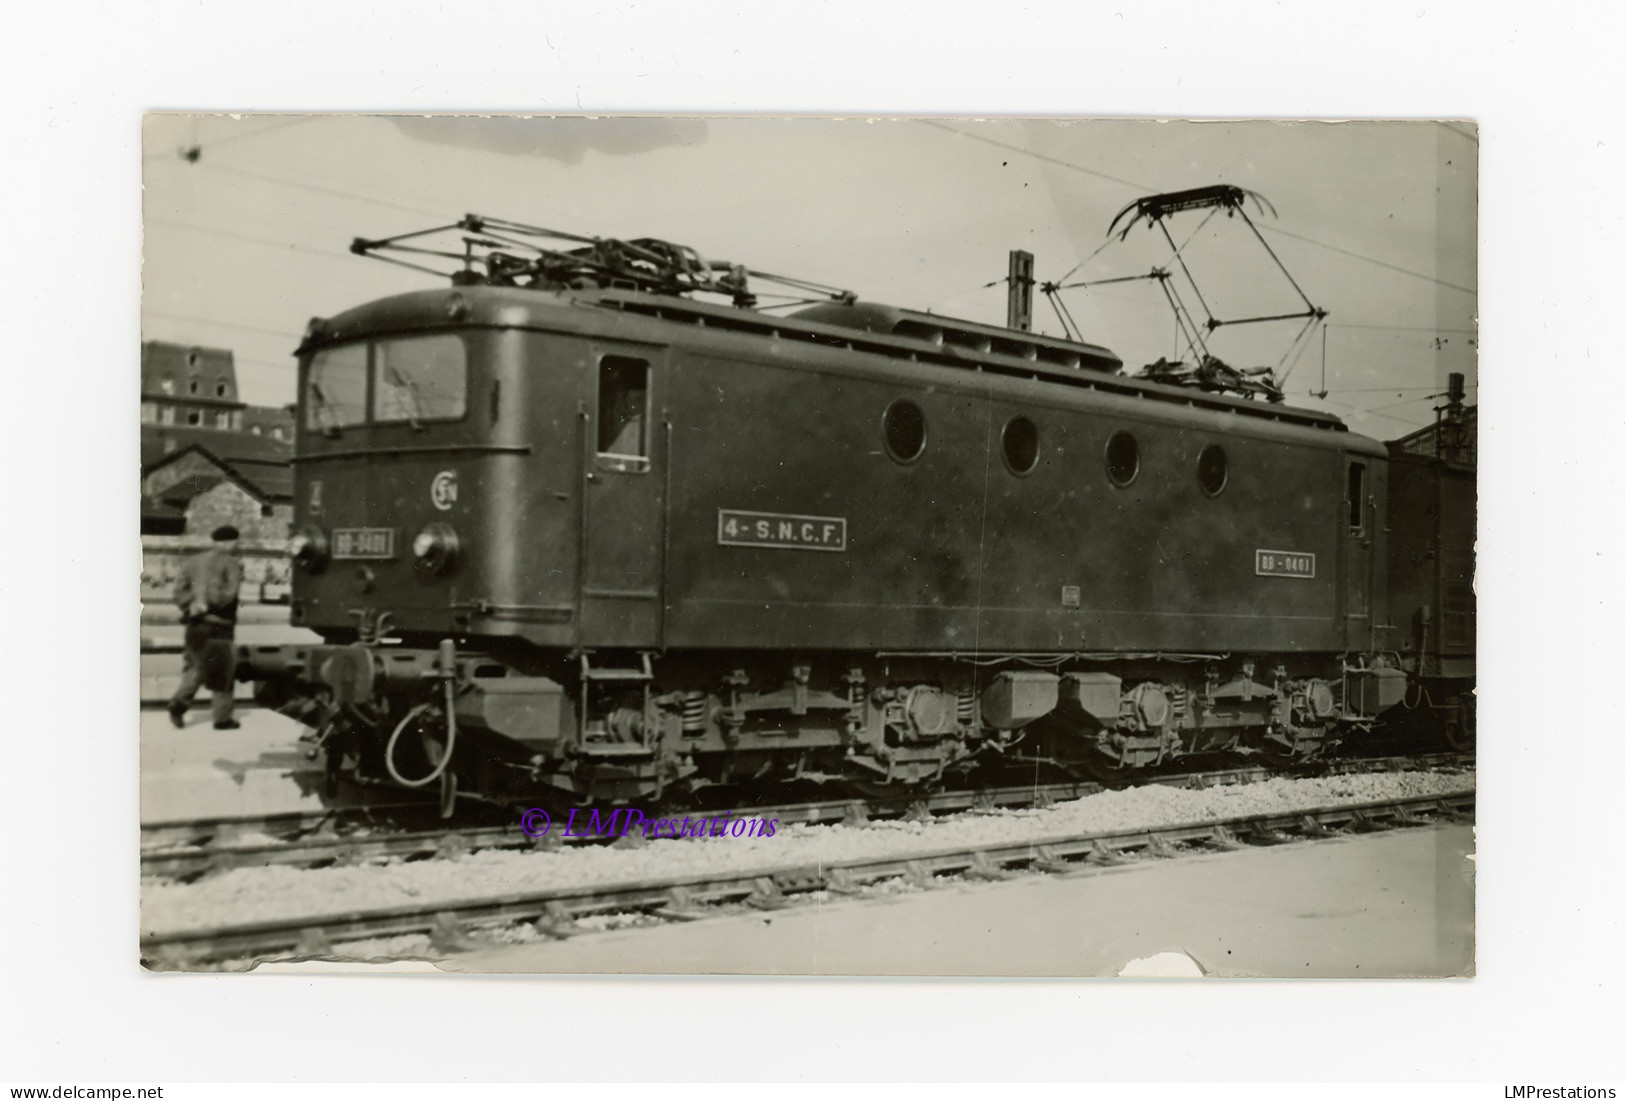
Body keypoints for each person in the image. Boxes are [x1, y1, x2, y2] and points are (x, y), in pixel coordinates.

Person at [168, 525, 245, 730]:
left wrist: (190, 605)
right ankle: (222, 719)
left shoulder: (193, 561)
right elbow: (228, 594)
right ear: (229, 542)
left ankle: (179, 702)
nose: (237, 546)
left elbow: (177, 591)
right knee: (223, 671)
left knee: (194, 666)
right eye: (236, 542)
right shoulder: (231, 563)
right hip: (219, 625)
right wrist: (211, 603)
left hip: (194, 624)